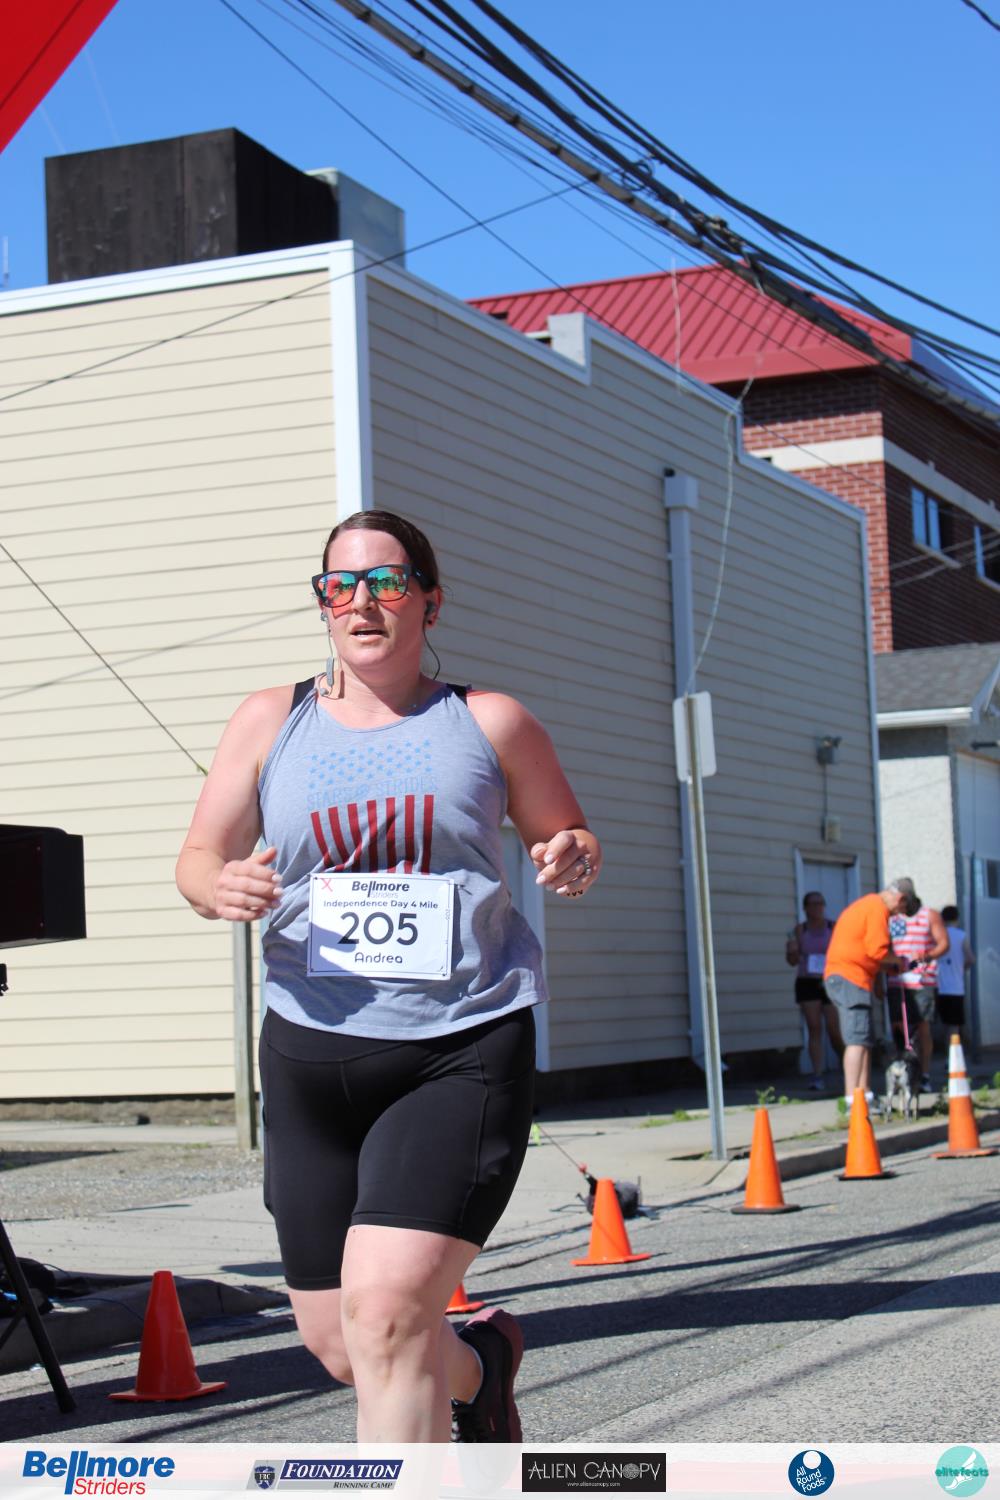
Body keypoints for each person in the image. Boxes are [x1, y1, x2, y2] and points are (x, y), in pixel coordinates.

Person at [175, 509, 602, 1444]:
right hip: (310, 1051)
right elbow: (199, 858)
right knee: (341, 1342)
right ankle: (480, 1371)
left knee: (386, 1315)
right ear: (323, 604)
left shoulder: (489, 721)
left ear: (430, 602)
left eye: (387, 581)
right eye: (341, 585)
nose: (362, 602)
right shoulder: (269, 719)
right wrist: (220, 885)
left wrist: (570, 852)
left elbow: (563, 834)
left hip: (459, 1046)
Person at [823, 882, 908, 1104]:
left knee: (864, 1039)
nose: (897, 915)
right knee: (857, 1040)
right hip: (850, 978)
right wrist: (899, 961)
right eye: (901, 910)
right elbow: (877, 950)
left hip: (850, 977)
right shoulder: (877, 908)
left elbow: (868, 952)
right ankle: (853, 1100)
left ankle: (865, 1095)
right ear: (900, 899)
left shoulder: (867, 905)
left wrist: (885, 970)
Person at [885, 877, 948, 1093]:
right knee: (898, 1026)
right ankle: (902, 1069)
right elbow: (882, 947)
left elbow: (943, 944)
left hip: (922, 980)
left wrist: (926, 955)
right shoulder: (891, 918)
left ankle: (924, 1074)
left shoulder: (929, 915)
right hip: (897, 979)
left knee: (922, 1026)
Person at [785, 892, 843, 1091]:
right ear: (806, 908)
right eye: (813, 904)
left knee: (834, 1030)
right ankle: (817, 1074)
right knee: (814, 1027)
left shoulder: (833, 927)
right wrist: (792, 951)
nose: (818, 907)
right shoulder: (800, 930)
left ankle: (847, 1064)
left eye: (821, 903)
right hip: (807, 981)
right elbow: (792, 961)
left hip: (830, 981)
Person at [935, 904, 975, 1044]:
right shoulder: (961, 935)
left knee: (942, 1023)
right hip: (956, 987)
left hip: (939, 986)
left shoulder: (937, 936)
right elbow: (971, 959)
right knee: (954, 1026)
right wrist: (961, 967)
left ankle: (943, 1049)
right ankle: (952, 1054)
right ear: (957, 918)